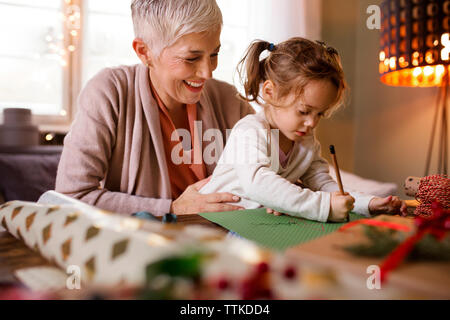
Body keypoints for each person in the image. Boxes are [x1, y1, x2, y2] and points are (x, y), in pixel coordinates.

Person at [55, 0, 254, 216]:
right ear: (144, 52)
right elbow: (71, 198)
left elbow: (274, 176)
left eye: (214, 54)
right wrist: (172, 209)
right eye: (191, 58)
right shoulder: (109, 92)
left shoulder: (232, 102)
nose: (208, 72)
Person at [199, 38, 407, 222]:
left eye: (320, 114)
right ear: (270, 92)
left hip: (255, 223)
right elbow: (258, 183)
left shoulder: (305, 141)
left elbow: (323, 184)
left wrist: (367, 203)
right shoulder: (249, 130)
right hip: (213, 222)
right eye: (304, 111)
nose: (312, 123)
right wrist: (323, 207)